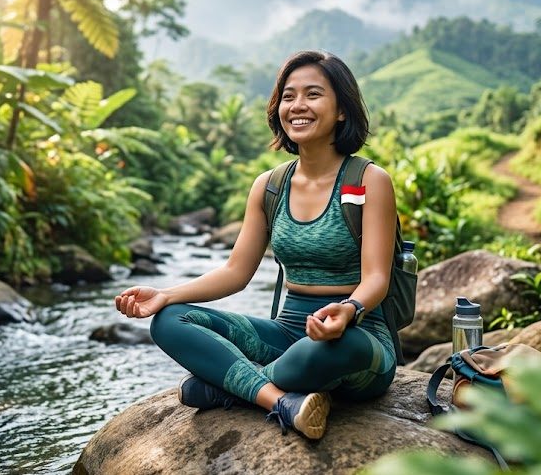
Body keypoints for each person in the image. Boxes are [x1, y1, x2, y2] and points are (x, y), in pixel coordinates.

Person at [114, 50, 398, 440]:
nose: (298, 105)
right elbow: (235, 272)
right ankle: (280, 401)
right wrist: (164, 293)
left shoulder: (369, 180)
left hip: (356, 338)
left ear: (342, 110)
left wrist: (349, 310)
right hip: (285, 334)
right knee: (170, 320)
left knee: (324, 352)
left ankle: (225, 386)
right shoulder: (269, 186)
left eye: (313, 94)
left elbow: (378, 278)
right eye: (288, 96)